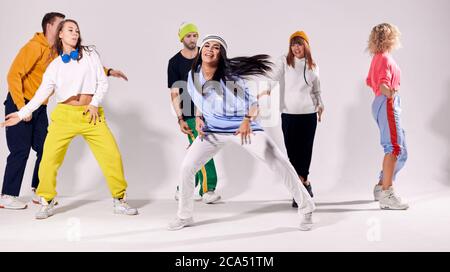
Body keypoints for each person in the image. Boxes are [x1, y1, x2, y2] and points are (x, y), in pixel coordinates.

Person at [168, 34, 315, 231]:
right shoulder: (193, 74)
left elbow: (254, 104)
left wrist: (246, 121)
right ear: (201, 49)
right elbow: (199, 100)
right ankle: (184, 215)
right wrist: (199, 117)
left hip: (242, 128)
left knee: (279, 162)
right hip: (213, 131)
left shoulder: (231, 77)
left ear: (221, 55)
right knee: (187, 167)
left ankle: (307, 208)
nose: (210, 50)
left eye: (216, 48)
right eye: (207, 45)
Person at [1, 19, 138, 219]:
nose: (75, 33)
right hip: (64, 116)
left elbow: (101, 82)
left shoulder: (90, 54)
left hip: (91, 115)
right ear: (60, 34)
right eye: (70, 30)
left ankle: (120, 200)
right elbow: (41, 94)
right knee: (48, 159)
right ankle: (46, 201)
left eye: (77, 30)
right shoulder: (54, 65)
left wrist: (94, 103)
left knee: (112, 156)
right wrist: (21, 114)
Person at [260, 31, 323, 208]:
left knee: (305, 151)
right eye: (293, 44)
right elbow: (273, 77)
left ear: (306, 46)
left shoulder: (313, 66)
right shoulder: (285, 62)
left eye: (299, 44)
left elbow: (317, 90)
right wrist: (266, 89)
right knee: (292, 153)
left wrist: (320, 105)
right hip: (289, 114)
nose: (296, 48)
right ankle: (303, 186)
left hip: (309, 114)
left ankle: (301, 187)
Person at [167, 23, 220, 204]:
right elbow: (174, 91)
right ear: (181, 38)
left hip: (210, 110)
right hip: (189, 113)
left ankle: (182, 189)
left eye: (195, 35)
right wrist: (179, 118)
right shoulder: (174, 62)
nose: (192, 39)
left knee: (197, 150)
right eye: (188, 36)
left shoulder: (205, 55)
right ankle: (208, 189)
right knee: (203, 148)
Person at [366, 23, 408, 210]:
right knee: (393, 147)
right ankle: (386, 193)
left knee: (402, 151)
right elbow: (382, 83)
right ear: (391, 37)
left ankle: (381, 185)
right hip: (387, 102)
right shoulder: (383, 58)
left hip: (381, 103)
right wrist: (391, 93)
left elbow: (369, 81)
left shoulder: (377, 57)